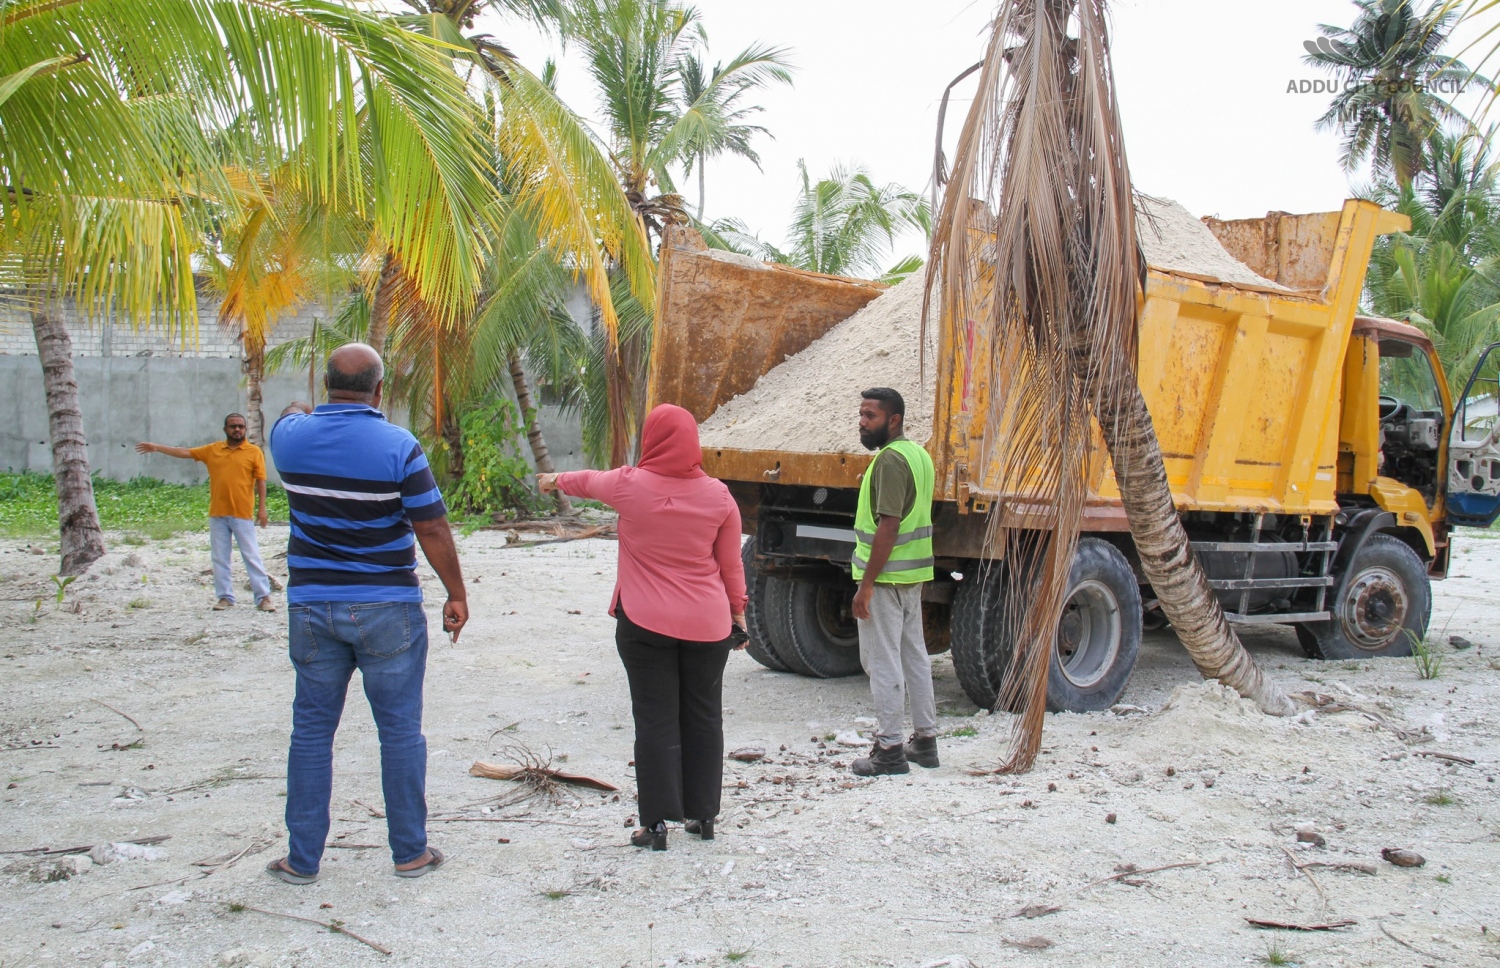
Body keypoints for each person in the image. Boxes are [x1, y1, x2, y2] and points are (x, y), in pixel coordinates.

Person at [262, 343, 468, 885]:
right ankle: (410, 852)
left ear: (326, 385)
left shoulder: (290, 440)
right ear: (380, 391)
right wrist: (456, 593)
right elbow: (431, 528)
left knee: (310, 733)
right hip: (387, 609)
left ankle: (302, 860)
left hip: (311, 608)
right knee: (400, 733)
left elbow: (286, 414)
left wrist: (300, 411)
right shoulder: (400, 445)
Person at [538, 404, 747, 851]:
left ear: (651, 438)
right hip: (708, 626)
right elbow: (731, 565)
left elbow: (588, 480)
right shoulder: (719, 496)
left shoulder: (629, 486)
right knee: (704, 718)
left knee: (654, 719)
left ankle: (655, 826)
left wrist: (555, 480)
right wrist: (739, 615)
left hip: (644, 623)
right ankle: (704, 817)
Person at [848, 387, 938, 777]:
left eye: (871, 416)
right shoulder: (919, 455)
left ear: (894, 420)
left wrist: (866, 584)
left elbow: (889, 523)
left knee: (882, 661)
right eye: (862, 414)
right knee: (914, 656)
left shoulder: (889, 461)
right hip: (912, 575)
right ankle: (926, 742)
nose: (863, 422)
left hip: (885, 579)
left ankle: (888, 750)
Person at [136, 414, 275, 612]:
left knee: (251, 556)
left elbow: (261, 481)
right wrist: (157, 447)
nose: (237, 430)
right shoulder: (213, 450)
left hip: (242, 514)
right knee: (219, 558)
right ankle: (225, 597)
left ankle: (263, 597)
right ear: (225, 429)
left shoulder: (254, 452)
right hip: (218, 514)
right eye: (233, 426)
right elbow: (185, 452)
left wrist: (262, 509)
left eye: (241, 427)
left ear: (245, 429)